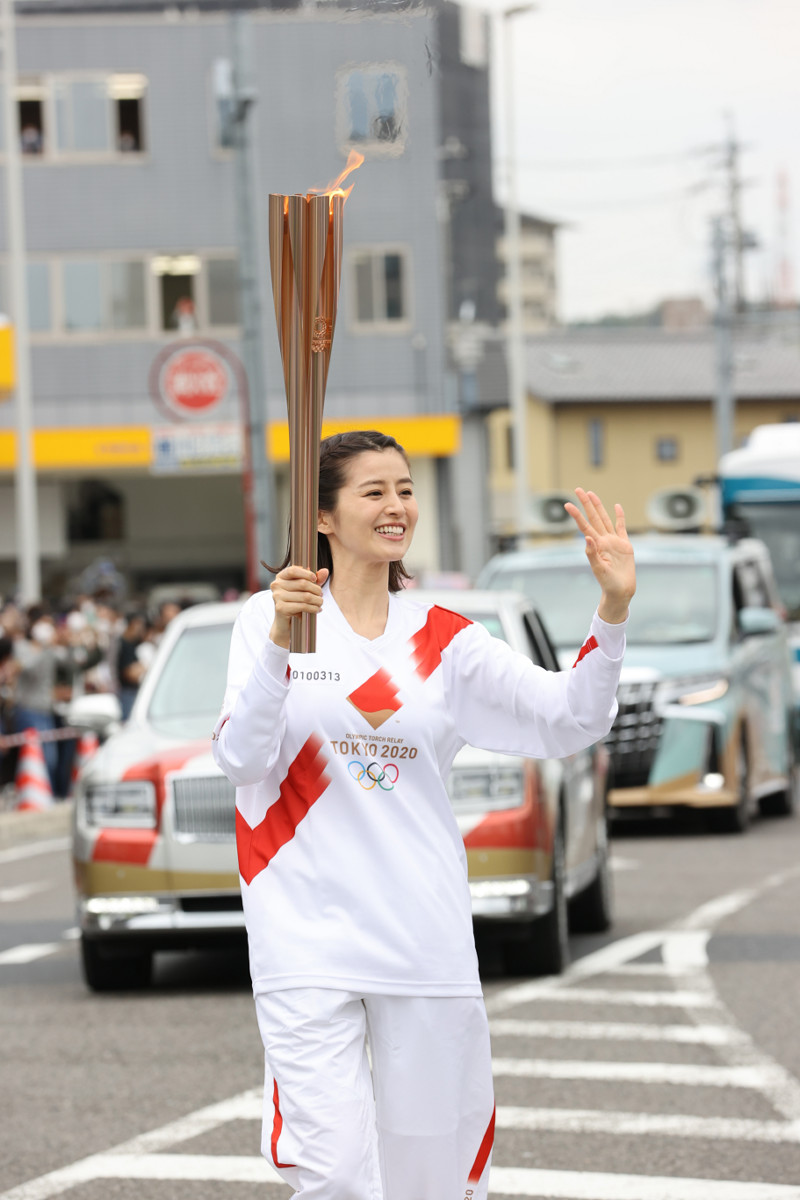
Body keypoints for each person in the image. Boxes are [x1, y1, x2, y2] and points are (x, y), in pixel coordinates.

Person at [212, 429, 635, 1200]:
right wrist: (279, 642)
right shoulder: (269, 623)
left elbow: (569, 718)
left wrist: (611, 611)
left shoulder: (444, 638)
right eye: (373, 492)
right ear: (324, 517)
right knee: (332, 1173)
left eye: (405, 489)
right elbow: (242, 759)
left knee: (431, 1179)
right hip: (306, 935)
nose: (397, 506)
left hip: (422, 935)